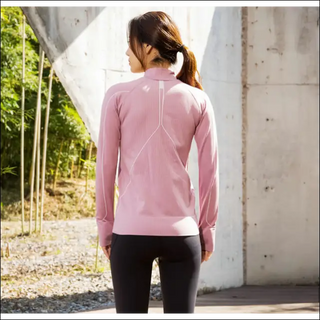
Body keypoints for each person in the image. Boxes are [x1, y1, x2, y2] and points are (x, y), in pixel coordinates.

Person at [95, 11, 219, 316]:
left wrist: (105, 227)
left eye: (131, 43)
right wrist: (207, 229)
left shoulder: (118, 96)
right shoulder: (198, 100)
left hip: (130, 235)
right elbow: (210, 173)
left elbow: (105, 169)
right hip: (183, 236)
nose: (127, 51)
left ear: (149, 48)